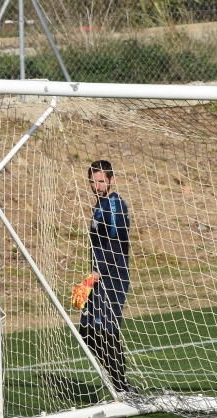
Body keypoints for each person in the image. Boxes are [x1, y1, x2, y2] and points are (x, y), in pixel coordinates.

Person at [71, 160, 136, 394]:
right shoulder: (100, 205)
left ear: (111, 180)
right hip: (98, 279)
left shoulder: (116, 205)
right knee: (87, 332)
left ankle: (122, 385)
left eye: (101, 181)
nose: (96, 185)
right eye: (93, 181)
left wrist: (95, 274)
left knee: (107, 331)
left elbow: (117, 243)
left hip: (112, 278)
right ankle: (118, 380)